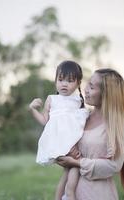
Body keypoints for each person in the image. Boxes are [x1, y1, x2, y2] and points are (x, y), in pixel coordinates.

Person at [56, 68, 124, 200]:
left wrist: (77, 163)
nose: (86, 89)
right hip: (69, 192)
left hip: (96, 194)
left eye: (92, 87)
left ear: (106, 94)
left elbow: (113, 166)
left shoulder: (117, 126)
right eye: (88, 84)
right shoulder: (82, 117)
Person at [29, 60, 89, 200]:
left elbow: (79, 126)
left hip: (73, 148)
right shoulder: (52, 99)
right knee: (70, 183)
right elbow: (45, 121)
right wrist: (32, 109)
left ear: (78, 83)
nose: (64, 84)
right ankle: (68, 196)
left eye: (69, 81)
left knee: (67, 179)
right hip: (59, 145)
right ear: (55, 80)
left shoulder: (78, 102)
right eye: (60, 79)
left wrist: (76, 145)